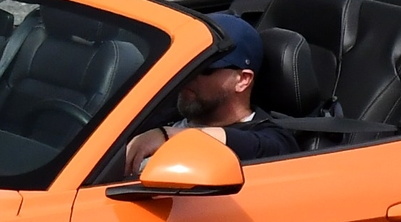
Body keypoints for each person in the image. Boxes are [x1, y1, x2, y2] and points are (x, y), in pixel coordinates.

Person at [122, 12, 297, 171]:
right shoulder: (161, 110)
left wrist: (167, 137)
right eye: (185, 65)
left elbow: (260, 147)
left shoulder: (273, 139)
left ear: (242, 80)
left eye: (203, 69)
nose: (187, 76)